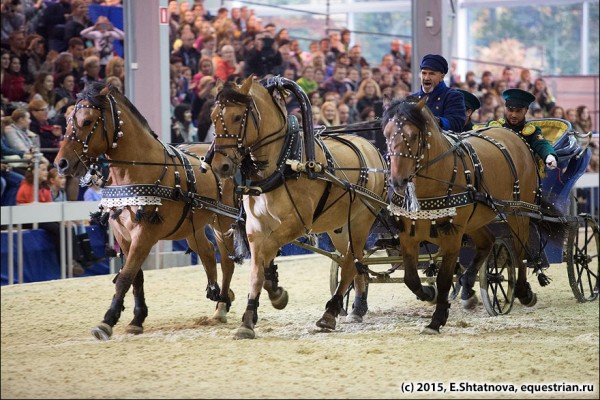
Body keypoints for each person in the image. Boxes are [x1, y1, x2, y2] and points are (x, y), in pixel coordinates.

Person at [487, 88, 558, 170]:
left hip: (523, 174)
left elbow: (541, 144)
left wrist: (549, 155)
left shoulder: (532, 131)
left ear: (526, 111)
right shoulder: (494, 127)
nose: (513, 115)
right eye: (510, 110)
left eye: (518, 111)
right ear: (505, 109)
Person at [410, 54, 465, 132]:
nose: (426, 78)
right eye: (424, 73)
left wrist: (437, 121)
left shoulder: (453, 96)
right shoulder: (411, 99)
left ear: (442, 77)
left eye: (432, 74)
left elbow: (457, 123)